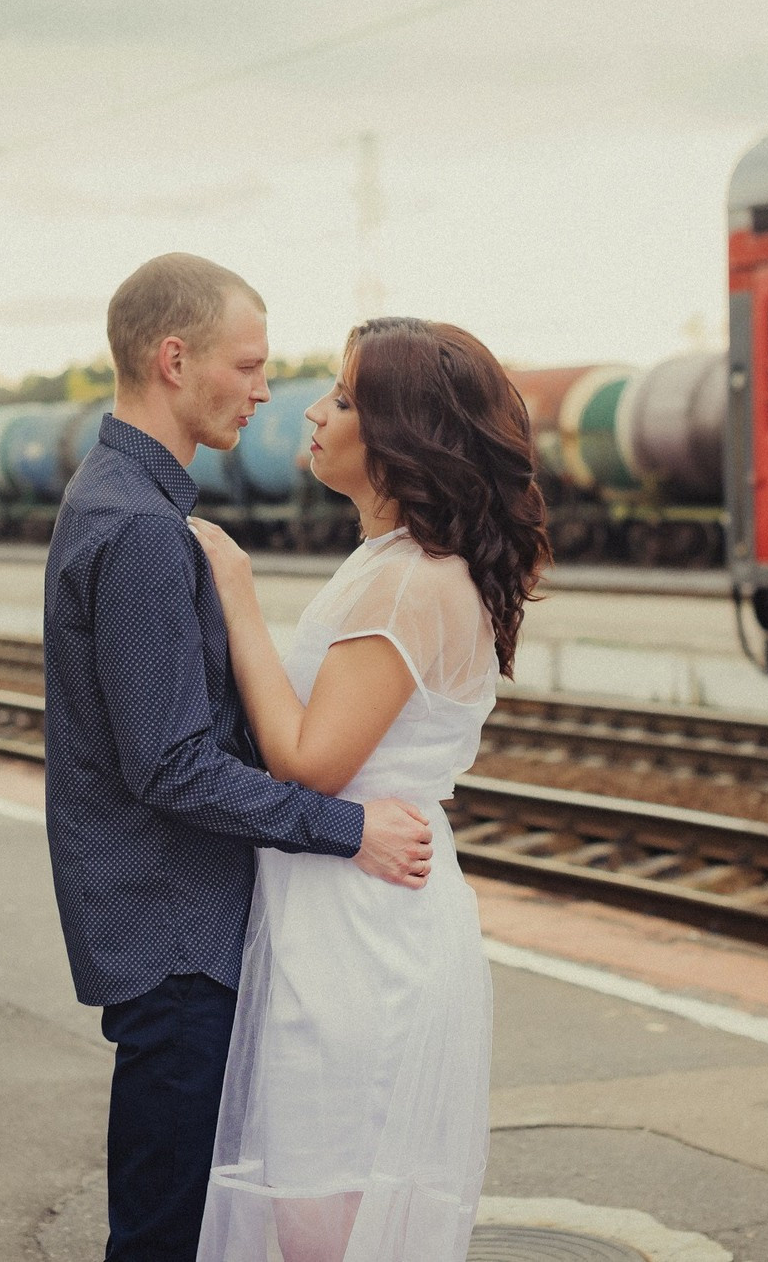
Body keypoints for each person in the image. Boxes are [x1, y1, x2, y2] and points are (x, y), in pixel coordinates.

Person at [43, 255, 438, 1262]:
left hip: (176, 924)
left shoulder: (133, 504)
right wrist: (348, 830)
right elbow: (171, 767)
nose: (267, 392)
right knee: (164, 1236)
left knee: (180, 1223)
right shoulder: (136, 527)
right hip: (176, 937)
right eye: (249, 364)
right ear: (174, 361)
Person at [189, 317, 551, 1261]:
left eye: (344, 398)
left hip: (361, 931)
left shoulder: (405, 584)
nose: (310, 410)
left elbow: (309, 761)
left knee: (325, 1205)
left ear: (404, 434)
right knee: (331, 1197)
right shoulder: (402, 566)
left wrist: (234, 592)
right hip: (356, 905)